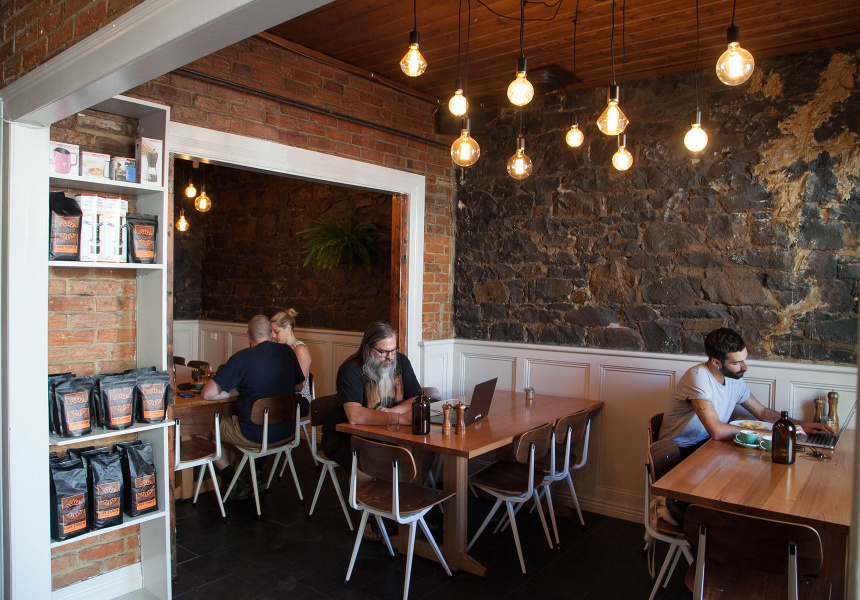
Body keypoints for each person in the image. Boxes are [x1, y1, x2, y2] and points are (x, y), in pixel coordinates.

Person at [659, 327, 831, 458]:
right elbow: (717, 431)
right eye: (737, 363)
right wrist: (777, 435)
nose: (745, 367)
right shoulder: (698, 377)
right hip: (678, 453)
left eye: (745, 359)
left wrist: (797, 425)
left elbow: (762, 412)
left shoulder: (733, 377)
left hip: (708, 446)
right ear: (716, 362)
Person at [321, 321, 422, 538]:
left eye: (393, 350)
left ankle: (406, 511)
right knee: (367, 458)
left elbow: (416, 397)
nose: (390, 357)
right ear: (368, 348)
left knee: (420, 452)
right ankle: (366, 519)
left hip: (386, 431)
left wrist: (393, 412)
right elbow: (355, 416)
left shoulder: (401, 362)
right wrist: (398, 419)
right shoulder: (351, 370)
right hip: (343, 435)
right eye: (383, 352)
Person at [202, 314, 307, 499]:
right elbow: (298, 386)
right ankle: (255, 473)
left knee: (205, 425)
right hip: (288, 432)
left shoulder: (242, 358)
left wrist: (235, 391)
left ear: (247, 334)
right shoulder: (287, 352)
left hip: (254, 436)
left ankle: (233, 481)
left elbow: (207, 394)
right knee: (255, 419)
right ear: (271, 333)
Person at [271, 309, 312, 403]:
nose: (273, 336)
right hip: (285, 396)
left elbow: (300, 386)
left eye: (276, 332)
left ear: (288, 328)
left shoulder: (300, 349)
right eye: (272, 332)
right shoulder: (281, 348)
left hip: (299, 400)